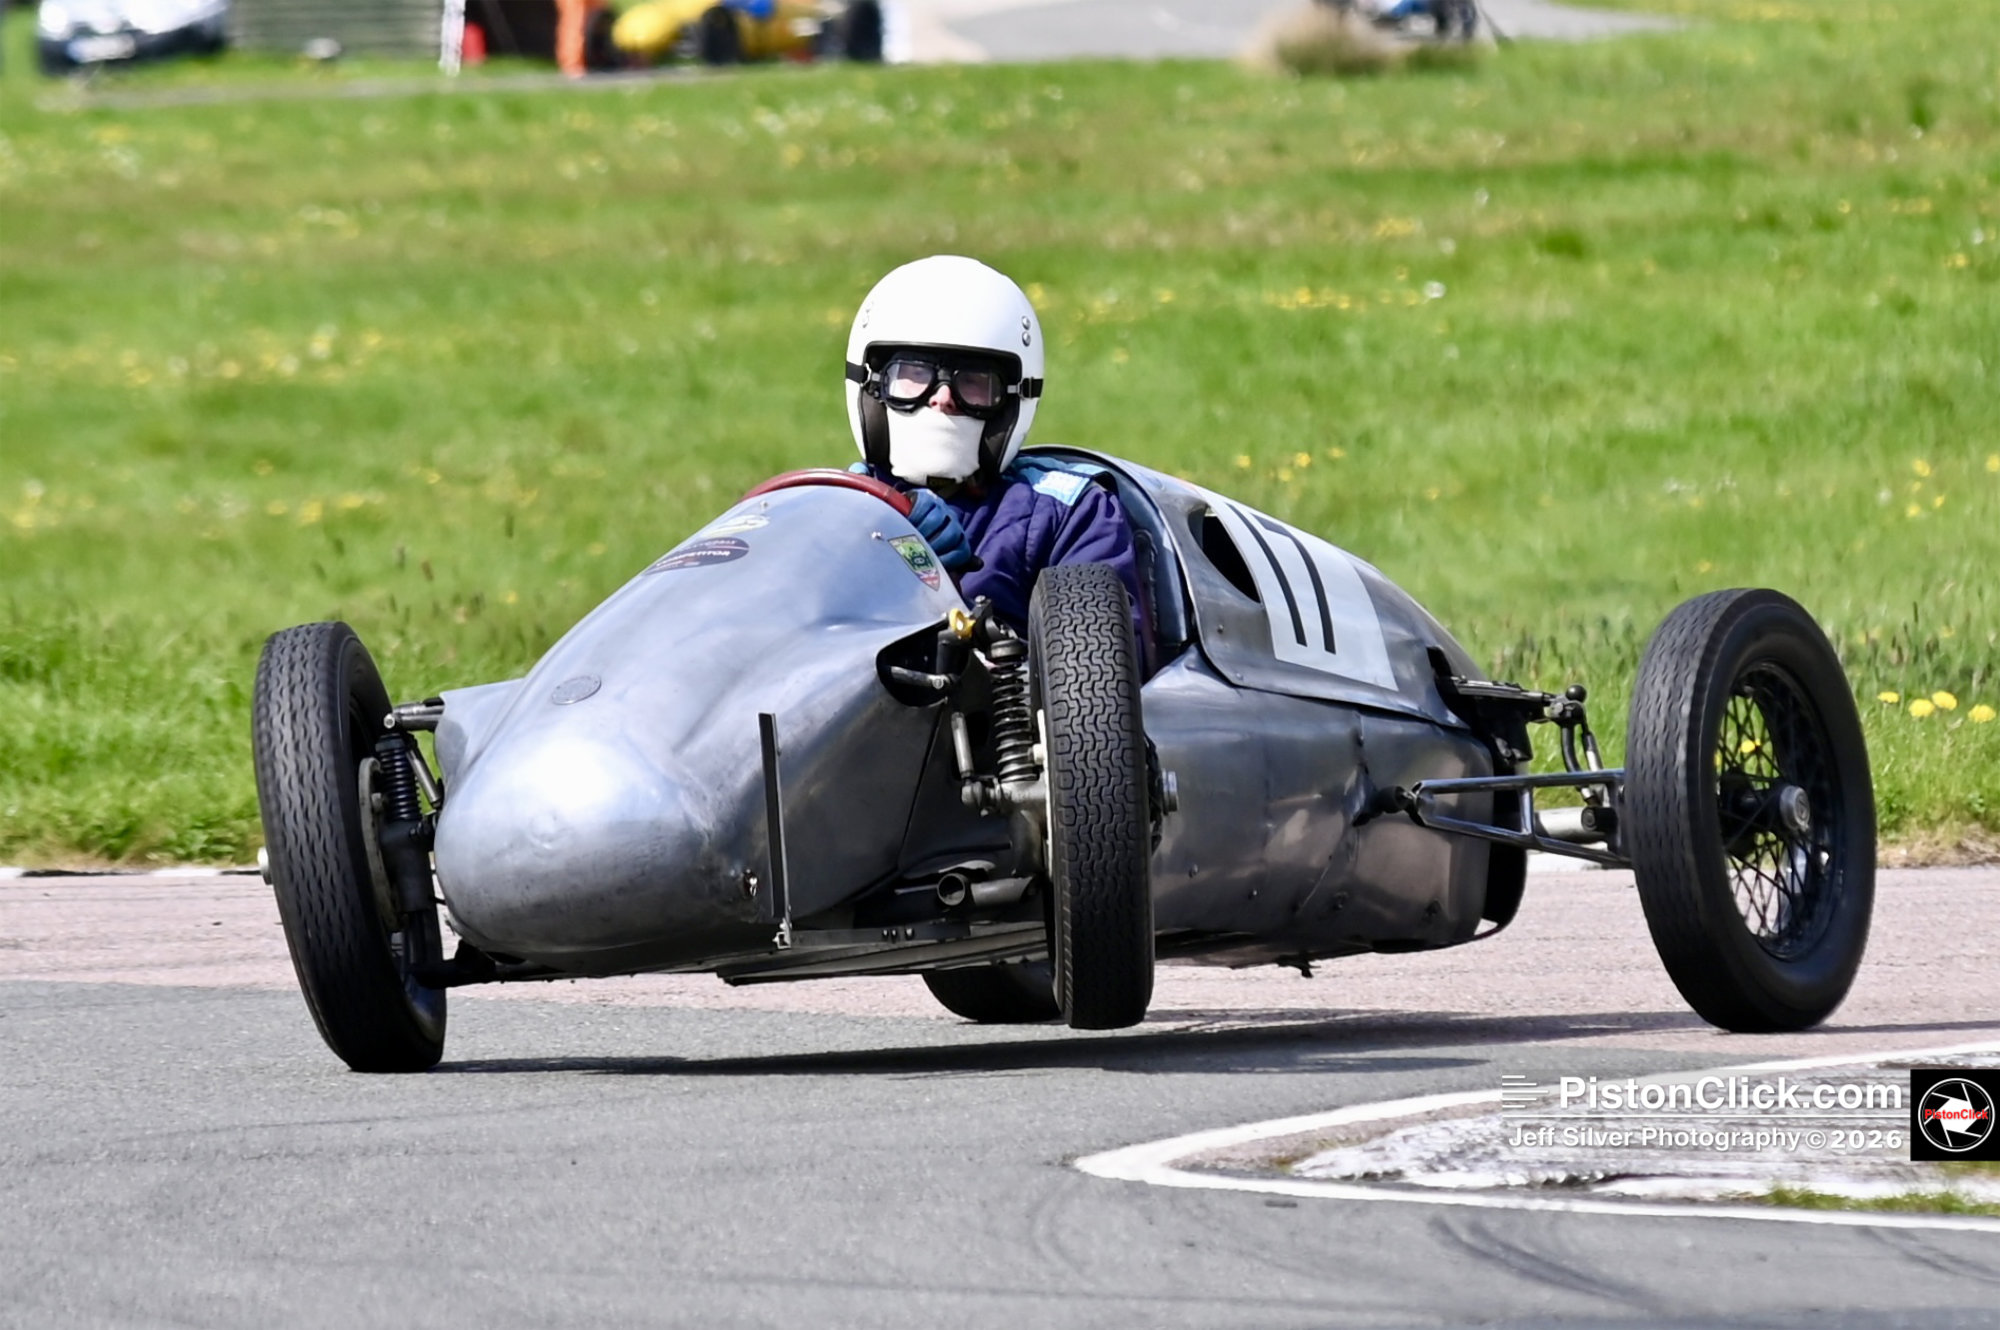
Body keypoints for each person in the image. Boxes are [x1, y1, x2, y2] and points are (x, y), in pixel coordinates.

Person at [843, 256, 1145, 646]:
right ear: (872, 387)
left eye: (973, 382)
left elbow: (1100, 681)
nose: (942, 399)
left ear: (1011, 399)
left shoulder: (1071, 515)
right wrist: (852, 533)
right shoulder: (831, 510)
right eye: (914, 374)